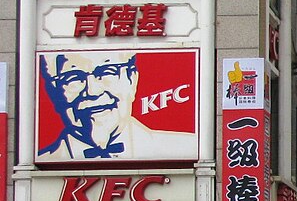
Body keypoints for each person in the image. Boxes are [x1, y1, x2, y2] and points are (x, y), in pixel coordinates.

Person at [37, 50, 193, 161]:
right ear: (52, 91)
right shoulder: (44, 159)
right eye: (72, 78)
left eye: (106, 72)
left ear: (132, 81)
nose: (92, 91)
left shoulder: (186, 148)